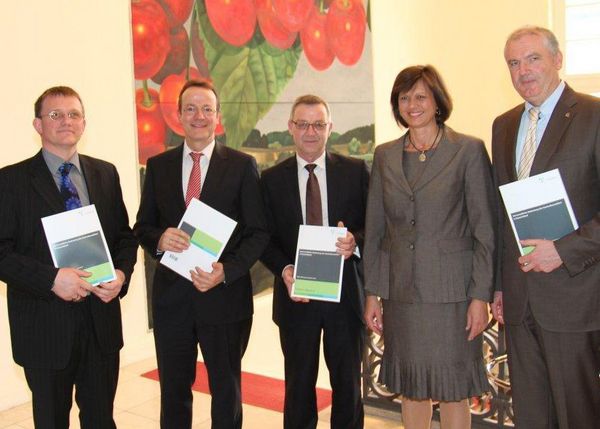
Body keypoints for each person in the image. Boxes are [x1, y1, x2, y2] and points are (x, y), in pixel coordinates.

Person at [363, 66, 496, 429]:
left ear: (437, 101)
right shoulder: (386, 155)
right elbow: (375, 230)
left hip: (453, 295)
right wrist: (373, 293)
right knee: (412, 387)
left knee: (454, 387)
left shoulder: (468, 150)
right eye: (404, 98)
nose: (412, 104)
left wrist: (480, 295)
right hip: (402, 295)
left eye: (420, 96)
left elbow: (485, 229)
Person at [134, 80, 269, 429]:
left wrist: (227, 270)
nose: (199, 116)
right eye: (190, 108)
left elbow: (258, 232)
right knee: (174, 393)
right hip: (172, 303)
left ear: (218, 117)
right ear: (178, 116)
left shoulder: (242, 166)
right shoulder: (159, 165)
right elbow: (142, 226)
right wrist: (159, 238)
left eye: (207, 109)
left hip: (224, 298)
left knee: (226, 392)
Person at [0, 86, 138, 428]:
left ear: (84, 122)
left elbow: (124, 237)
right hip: (44, 328)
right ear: (37, 124)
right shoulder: (11, 180)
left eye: (74, 114)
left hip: (100, 323)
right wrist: (52, 279)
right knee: (50, 421)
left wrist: (120, 276)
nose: (66, 121)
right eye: (55, 115)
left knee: (101, 419)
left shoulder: (105, 173)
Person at [491, 26, 600, 428]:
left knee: (577, 416)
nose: (523, 71)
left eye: (533, 58)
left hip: (574, 298)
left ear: (558, 60)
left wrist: (564, 250)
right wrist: (499, 285)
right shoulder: (502, 126)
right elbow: (502, 214)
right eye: (513, 63)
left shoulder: (593, 115)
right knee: (532, 417)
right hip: (520, 301)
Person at [260, 94, 368, 429]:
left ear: (330, 128)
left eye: (318, 124)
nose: (311, 131)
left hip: (345, 298)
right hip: (297, 297)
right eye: (303, 124)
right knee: (298, 388)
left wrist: (355, 241)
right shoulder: (271, 179)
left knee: (348, 386)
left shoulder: (354, 171)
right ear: (291, 128)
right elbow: (263, 238)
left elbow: (374, 224)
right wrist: (284, 270)